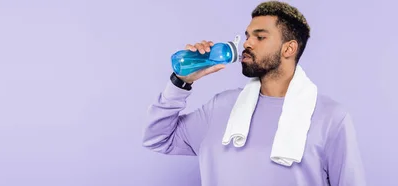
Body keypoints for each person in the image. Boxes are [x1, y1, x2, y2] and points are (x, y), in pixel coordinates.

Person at [142, 1, 366, 186]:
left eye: (259, 37)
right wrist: (181, 81)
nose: (247, 43)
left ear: (289, 49)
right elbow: (157, 138)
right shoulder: (220, 107)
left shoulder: (331, 118)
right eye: (247, 35)